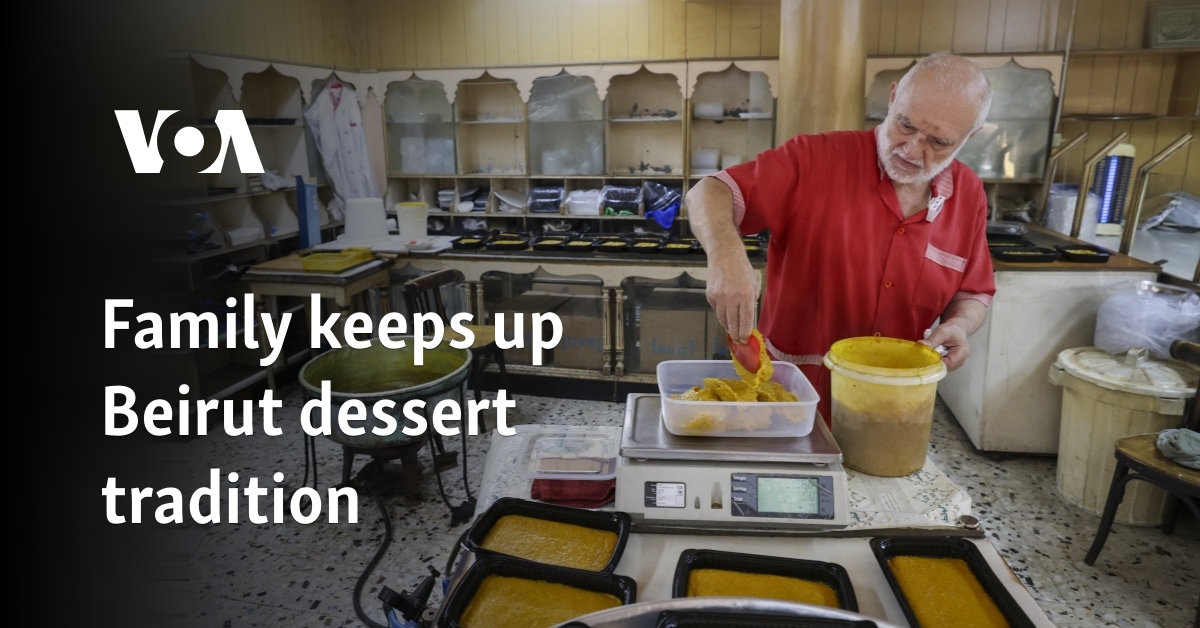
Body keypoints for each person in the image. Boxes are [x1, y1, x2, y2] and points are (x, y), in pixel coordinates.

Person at [688, 51, 996, 426]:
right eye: (905, 125)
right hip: (791, 402)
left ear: (970, 136)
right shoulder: (814, 159)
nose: (913, 151)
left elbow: (973, 292)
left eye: (939, 142)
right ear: (893, 95)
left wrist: (961, 324)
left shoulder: (968, 195)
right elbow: (709, 192)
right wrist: (726, 255)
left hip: (890, 407)